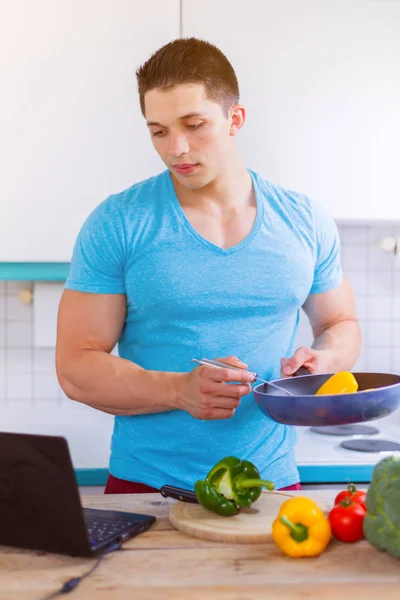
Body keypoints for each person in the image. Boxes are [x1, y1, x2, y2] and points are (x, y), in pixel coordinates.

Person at [56, 38, 361, 495]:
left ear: (234, 118)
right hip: (150, 488)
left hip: (272, 486)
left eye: (194, 125)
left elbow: (341, 322)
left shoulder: (305, 219)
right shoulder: (117, 222)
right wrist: (180, 390)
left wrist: (325, 359)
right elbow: (75, 368)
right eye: (158, 131)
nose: (177, 147)